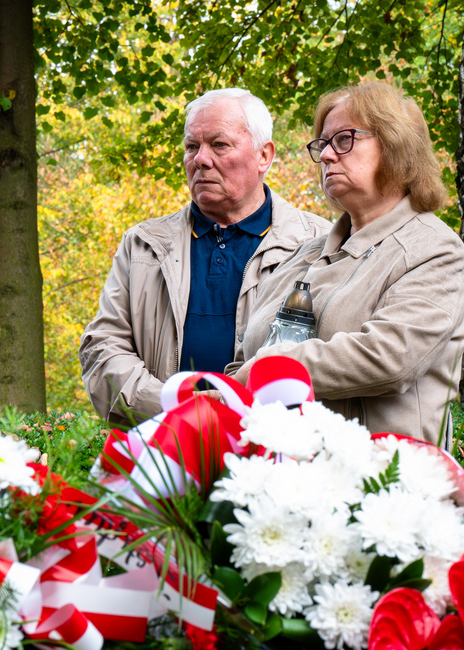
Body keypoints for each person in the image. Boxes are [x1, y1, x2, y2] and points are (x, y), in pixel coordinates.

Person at [229, 81, 464, 445]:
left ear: (396, 145)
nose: (327, 155)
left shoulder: (434, 249)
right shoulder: (300, 255)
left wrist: (272, 369)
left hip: (382, 472)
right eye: (323, 144)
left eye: (344, 140)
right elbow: (242, 362)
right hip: (274, 469)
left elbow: (390, 358)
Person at [80, 89, 330, 425]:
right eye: (191, 146)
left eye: (219, 144)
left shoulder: (319, 244)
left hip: (277, 446)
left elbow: (334, 358)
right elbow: (102, 348)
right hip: (163, 445)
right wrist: (173, 410)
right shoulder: (143, 246)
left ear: (264, 156)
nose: (200, 159)